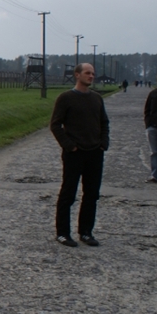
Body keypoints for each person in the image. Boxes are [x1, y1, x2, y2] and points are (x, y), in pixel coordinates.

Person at [49, 63, 109, 247]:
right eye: (87, 73)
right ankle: (63, 233)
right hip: (74, 154)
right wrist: (69, 146)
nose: (91, 76)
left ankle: (86, 232)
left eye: (93, 73)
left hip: (94, 153)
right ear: (77, 75)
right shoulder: (66, 98)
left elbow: (104, 122)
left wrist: (103, 144)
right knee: (68, 193)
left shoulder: (97, 98)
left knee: (91, 194)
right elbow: (55, 125)